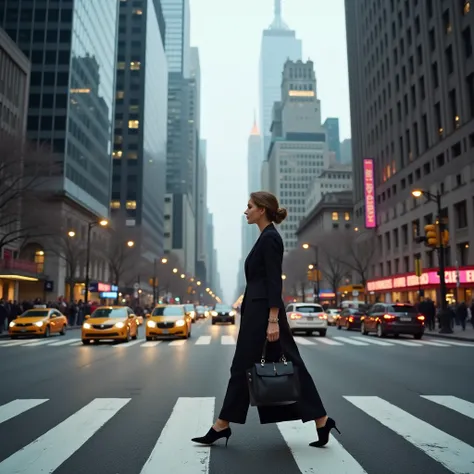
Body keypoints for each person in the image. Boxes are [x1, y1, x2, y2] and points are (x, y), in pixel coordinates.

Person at [192, 191, 339, 448]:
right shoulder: (264, 238)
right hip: (259, 313)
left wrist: (272, 319)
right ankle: (321, 419)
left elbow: (273, 280)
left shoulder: (270, 238)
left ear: (262, 209)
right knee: (291, 365)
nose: (245, 211)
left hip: (264, 315)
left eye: (249, 206)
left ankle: (221, 425)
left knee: (242, 368)